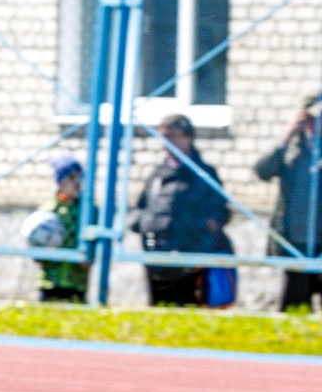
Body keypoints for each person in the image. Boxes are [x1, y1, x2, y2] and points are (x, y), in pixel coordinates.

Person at [132, 114, 233, 307]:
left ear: (188, 137)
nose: (166, 143)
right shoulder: (157, 174)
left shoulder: (203, 173)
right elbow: (140, 208)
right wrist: (144, 224)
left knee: (188, 309)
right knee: (159, 311)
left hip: (190, 260)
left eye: (172, 136)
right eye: (162, 136)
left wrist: (201, 233)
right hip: (157, 256)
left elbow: (219, 213)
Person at [253, 91, 322, 313]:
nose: (316, 124)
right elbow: (262, 171)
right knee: (296, 306)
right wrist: (284, 138)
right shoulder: (291, 149)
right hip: (295, 240)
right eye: (311, 119)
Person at [23, 153, 87, 302]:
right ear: (60, 182)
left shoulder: (87, 210)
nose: (77, 182)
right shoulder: (48, 210)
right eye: (71, 178)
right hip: (50, 281)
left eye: (80, 177)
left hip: (76, 282)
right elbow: (34, 245)